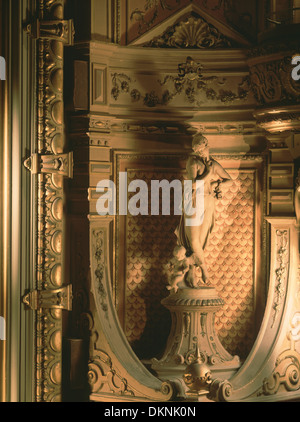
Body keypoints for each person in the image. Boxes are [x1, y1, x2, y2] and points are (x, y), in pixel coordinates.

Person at [175, 133, 232, 285]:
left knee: (200, 241)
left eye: (201, 150)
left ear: (207, 146)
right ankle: (205, 270)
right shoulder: (192, 162)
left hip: (207, 202)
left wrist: (216, 185)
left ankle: (192, 271)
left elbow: (229, 181)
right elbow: (193, 185)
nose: (200, 153)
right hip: (193, 201)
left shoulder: (213, 164)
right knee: (193, 241)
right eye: (197, 151)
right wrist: (208, 174)